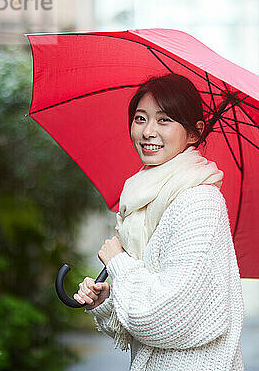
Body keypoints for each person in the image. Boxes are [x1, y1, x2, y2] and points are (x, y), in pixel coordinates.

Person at [74, 73, 244, 371]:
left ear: (195, 133)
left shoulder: (198, 202)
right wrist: (106, 300)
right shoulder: (144, 200)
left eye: (164, 120)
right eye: (140, 119)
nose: (148, 131)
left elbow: (166, 316)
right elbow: (139, 324)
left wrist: (119, 265)